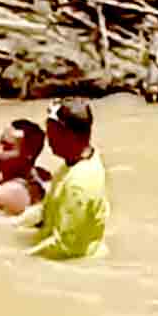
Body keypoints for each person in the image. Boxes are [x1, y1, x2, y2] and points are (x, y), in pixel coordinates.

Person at [16, 96, 110, 260]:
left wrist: (19, 257)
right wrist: (14, 224)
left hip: (76, 263)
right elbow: (48, 209)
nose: (47, 138)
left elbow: (65, 246)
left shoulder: (79, 184)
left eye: (51, 132)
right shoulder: (78, 161)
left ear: (68, 135)